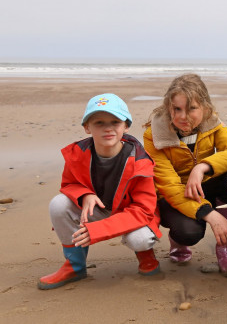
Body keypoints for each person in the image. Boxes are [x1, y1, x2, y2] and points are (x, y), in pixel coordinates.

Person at [38, 94, 162, 290]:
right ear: (87, 127)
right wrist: (84, 194)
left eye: (115, 121)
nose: (108, 128)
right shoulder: (77, 153)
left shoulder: (140, 162)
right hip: (98, 209)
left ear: (126, 126)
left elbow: (144, 210)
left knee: (140, 239)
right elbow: (68, 184)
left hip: (132, 214)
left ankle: (146, 257)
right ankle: (75, 266)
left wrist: (97, 231)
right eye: (99, 122)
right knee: (58, 204)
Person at [143, 74, 227, 277]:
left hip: (203, 184)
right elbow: (169, 187)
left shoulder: (213, 124)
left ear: (205, 108)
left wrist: (201, 168)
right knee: (189, 232)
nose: (184, 116)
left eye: (192, 108)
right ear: (168, 108)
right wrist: (210, 215)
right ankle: (178, 242)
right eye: (177, 109)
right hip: (174, 196)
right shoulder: (154, 136)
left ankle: (226, 247)